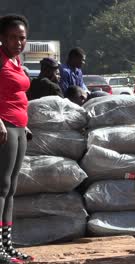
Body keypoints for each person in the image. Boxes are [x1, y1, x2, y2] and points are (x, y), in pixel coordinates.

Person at [0, 14, 34, 263]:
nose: (18, 42)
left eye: (22, 37)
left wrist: (26, 125)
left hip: (19, 126)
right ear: (2, 38)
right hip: (4, 126)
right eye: (13, 37)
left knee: (11, 188)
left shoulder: (16, 61)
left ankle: (7, 245)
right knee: (1, 187)